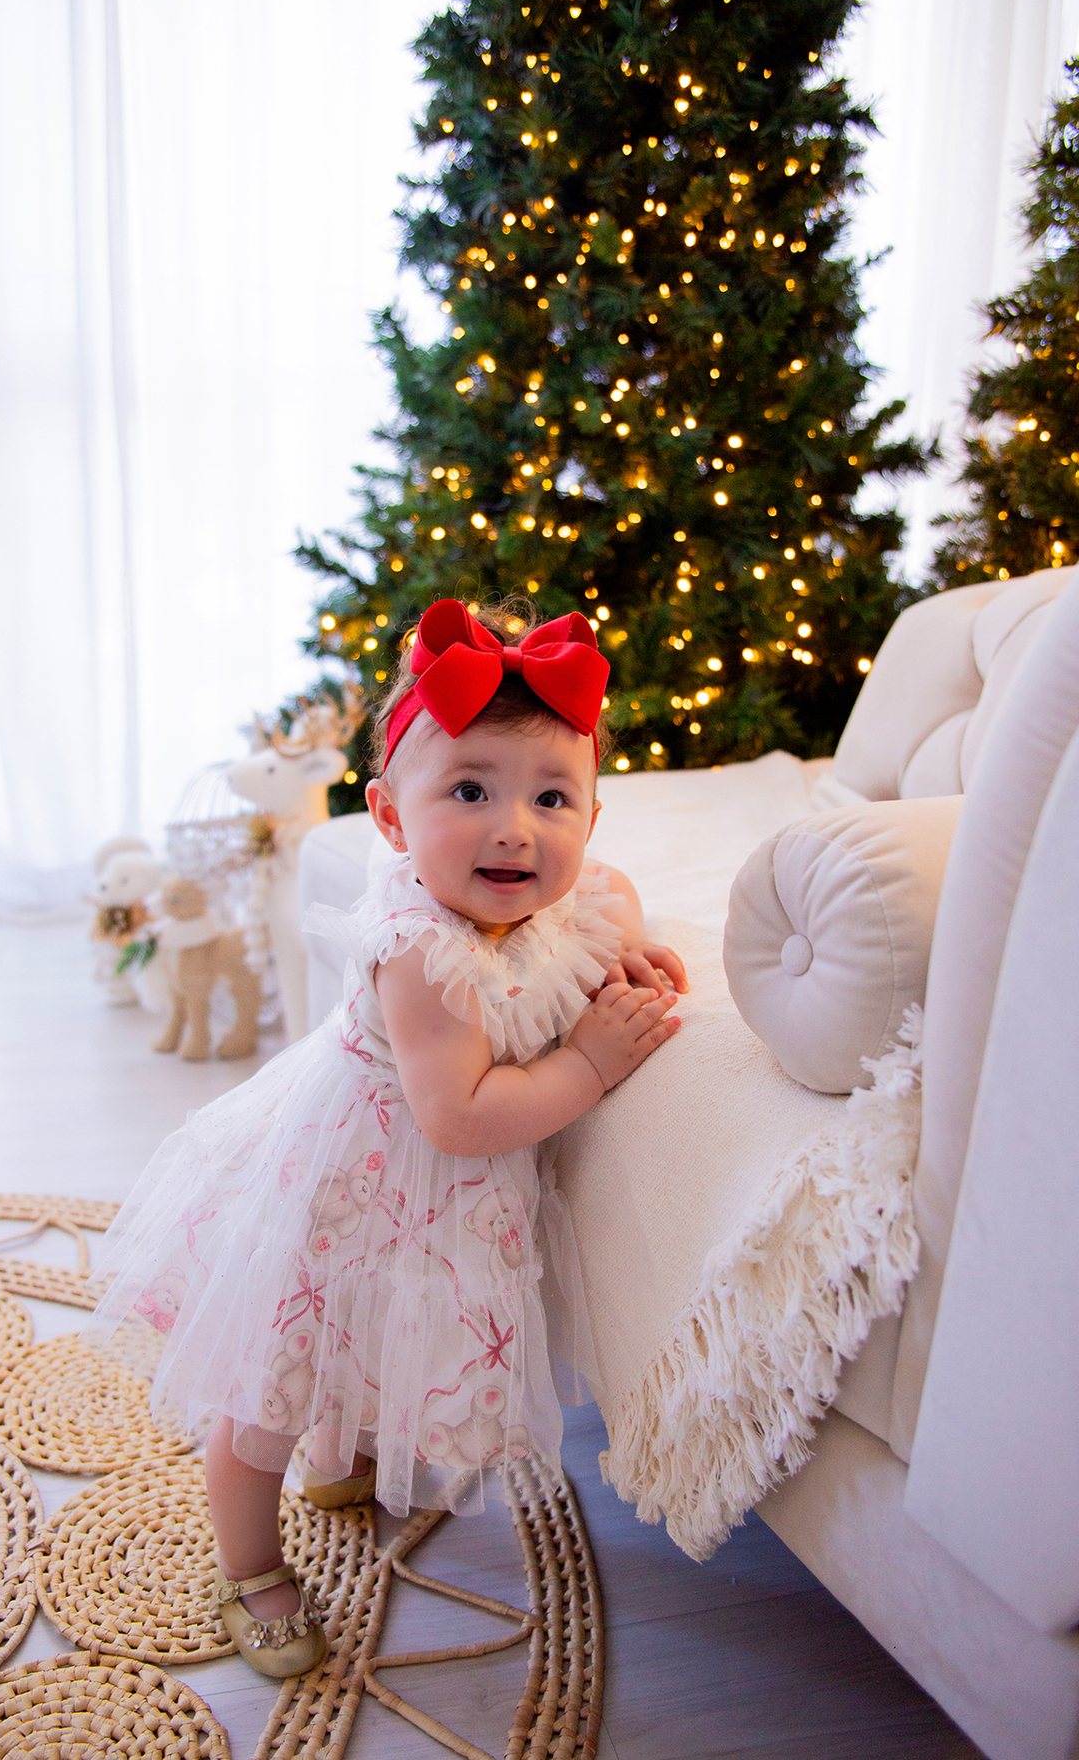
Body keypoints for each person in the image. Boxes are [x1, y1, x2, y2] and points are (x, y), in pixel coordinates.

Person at [85, 598, 687, 1679]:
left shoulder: (579, 891)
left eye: (554, 796)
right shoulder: (421, 949)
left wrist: (633, 965)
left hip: (442, 1204)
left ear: (593, 816)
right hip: (347, 1186)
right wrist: (592, 1061)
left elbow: (615, 908)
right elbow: (455, 1117)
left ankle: (344, 1455)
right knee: (273, 1383)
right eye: (470, 791)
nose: (516, 827)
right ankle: (250, 1563)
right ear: (392, 818)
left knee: (389, 1338)